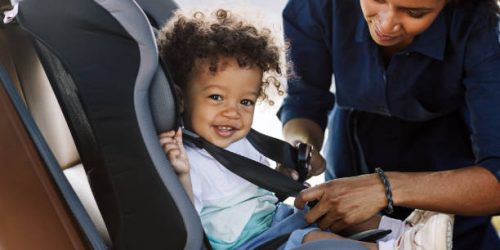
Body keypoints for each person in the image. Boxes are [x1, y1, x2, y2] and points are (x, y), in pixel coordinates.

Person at [157, 8, 454, 250]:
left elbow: (258, 192)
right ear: (181, 97)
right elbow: (186, 222)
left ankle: (408, 232)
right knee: (312, 241)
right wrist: (181, 173)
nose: (232, 112)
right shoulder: (187, 158)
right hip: (253, 244)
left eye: (246, 101)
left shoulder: (242, 141)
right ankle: (394, 248)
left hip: (276, 221)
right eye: (216, 97)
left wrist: (285, 173)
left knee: (332, 207)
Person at [278, 0, 500, 249]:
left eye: (414, 12)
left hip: (449, 192)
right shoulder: (315, 6)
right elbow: (304, 99)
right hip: (348, 170)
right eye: (378, 0)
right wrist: (300, 147)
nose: (386, 24)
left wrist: (384, 187)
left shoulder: (484, 29)